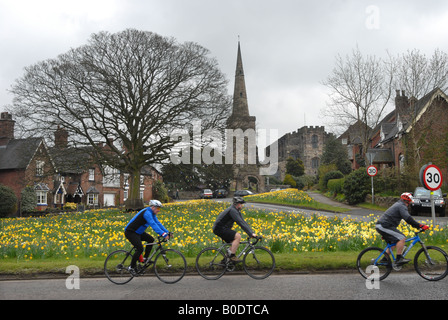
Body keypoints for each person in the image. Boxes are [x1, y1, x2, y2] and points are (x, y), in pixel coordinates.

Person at [375, 192, 429, 266]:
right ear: (408, 201)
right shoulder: (401, 206)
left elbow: (408, 219)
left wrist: (417, 226)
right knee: (402, 237)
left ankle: (384, 259)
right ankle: (399, 259)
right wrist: (420, 225)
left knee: (394, 242)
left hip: (384, 226)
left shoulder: (400, 204)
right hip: (383, 226)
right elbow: (408, 218)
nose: (409, 204)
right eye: (409, 202)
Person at [124, 199, 170, 274]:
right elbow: (153, 224)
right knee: (140, 248)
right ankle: (131, 267)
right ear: (153, 207)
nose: (159, 210)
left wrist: (167, 232)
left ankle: (145, 259)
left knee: (151, 239)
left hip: (138, 232)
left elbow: (158, 223)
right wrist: (163, 234)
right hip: (130, 232)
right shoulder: (147, 213)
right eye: (158, 208)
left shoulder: (152, 213)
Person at [213, 196, 257, 262]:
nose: (242, 206)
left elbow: (243, 222)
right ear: (238, 204)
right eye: (241, 204)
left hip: (221, 228)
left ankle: (225, 262)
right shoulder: (232, 211)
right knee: (238, 236)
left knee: (234, 243)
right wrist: (250, 234)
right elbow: (240, 223)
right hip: (219, 228)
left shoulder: (236, 211)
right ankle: (232, 256)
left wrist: (251, 232)